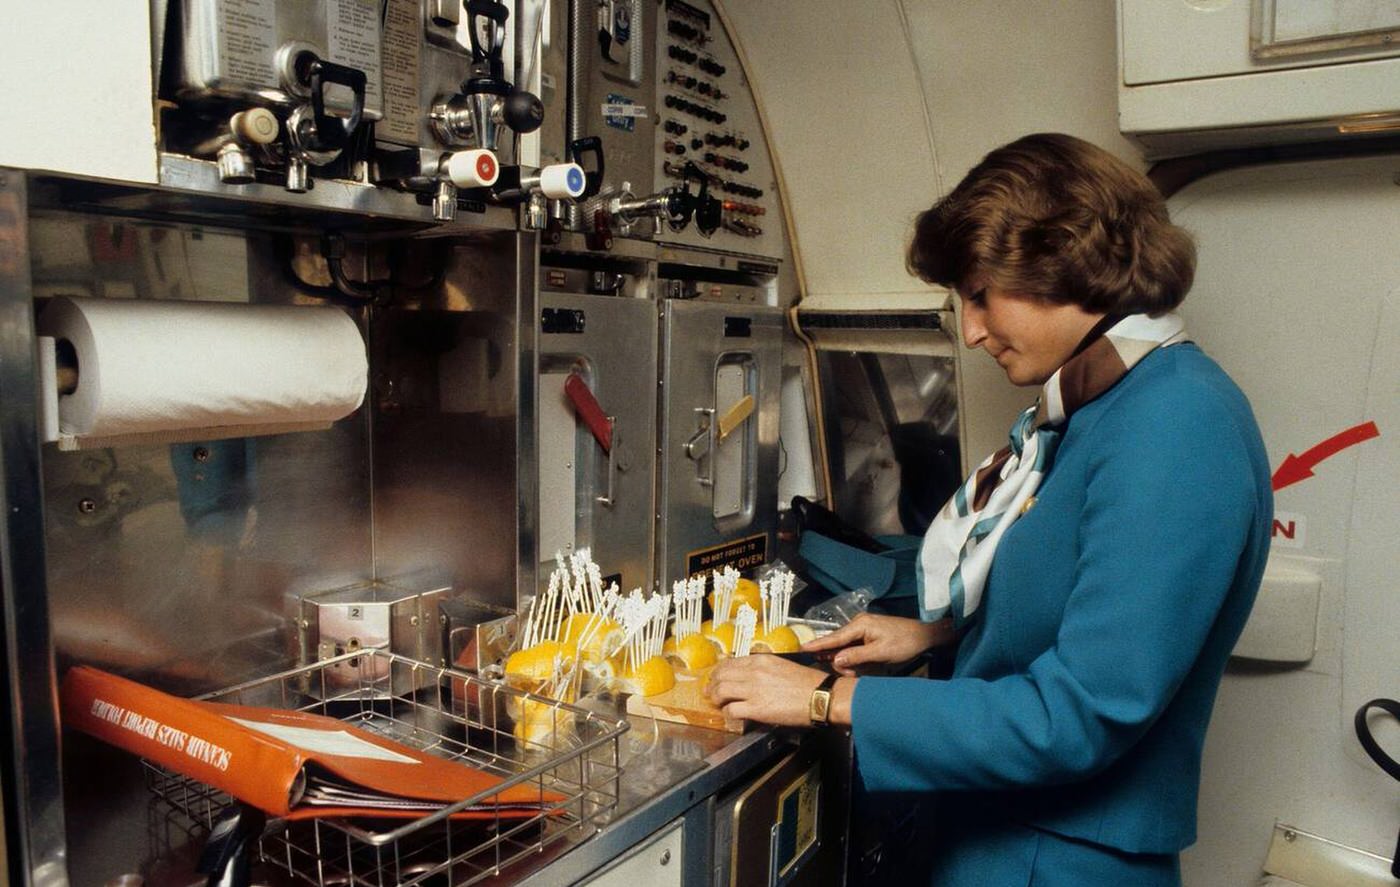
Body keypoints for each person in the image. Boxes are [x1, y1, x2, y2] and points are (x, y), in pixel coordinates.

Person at [705, 133, 1273, 885]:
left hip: (1059, 857)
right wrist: (938, 635)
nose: (970, 331)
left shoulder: (1176, 427)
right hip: (1013, 835)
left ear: (1067, 263)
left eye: (980, 295)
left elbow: (1078, 716)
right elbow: (1074, 605)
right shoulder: (1106, 406)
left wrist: (827, 699)